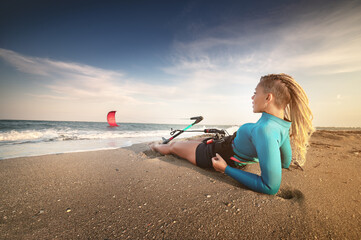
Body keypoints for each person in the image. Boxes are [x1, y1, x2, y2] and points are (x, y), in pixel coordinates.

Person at [151, 74, 314, 195]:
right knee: (200, 140)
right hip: (225, 144)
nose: (252, 97)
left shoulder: (265, 131)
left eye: (255, 93)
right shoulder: (282, 125)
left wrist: (225, 169)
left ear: (268, 97)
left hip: (213, 155)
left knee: (172, 146)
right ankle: (178, 144)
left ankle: (156, 146)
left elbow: (270, 187)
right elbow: (284, 162)